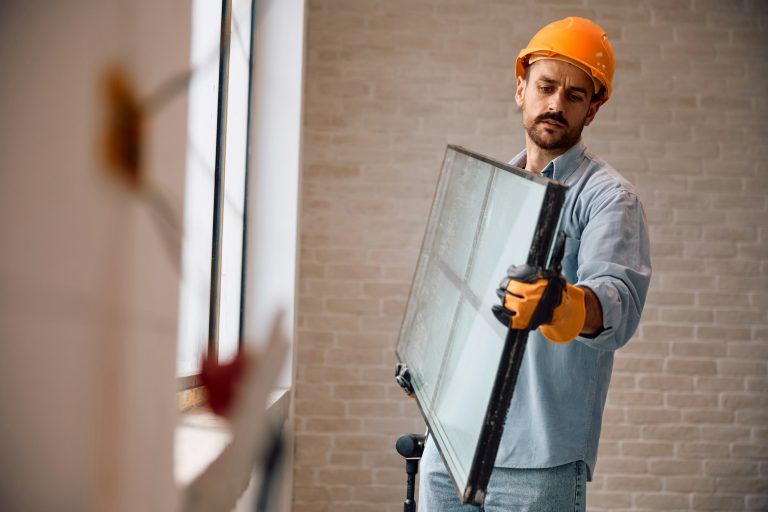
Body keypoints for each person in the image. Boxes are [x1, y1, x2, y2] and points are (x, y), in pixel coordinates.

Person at [418, 17, 652, 511]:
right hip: (453, 444)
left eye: (574, 95)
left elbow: (618, 300)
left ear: (593, 108)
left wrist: (562, 306)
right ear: (521, 87)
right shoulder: (493, 187)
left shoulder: (609, 197)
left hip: (537, 462)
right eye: (546, 87)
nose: (556, 104)